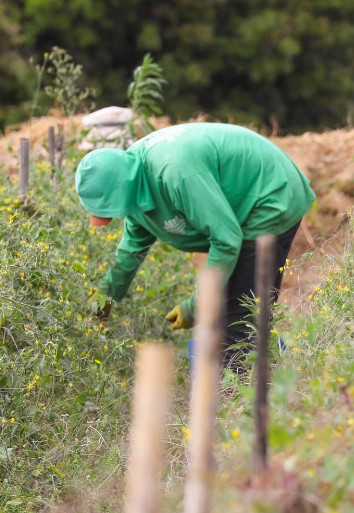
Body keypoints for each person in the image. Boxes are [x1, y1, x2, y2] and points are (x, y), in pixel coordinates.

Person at [76, 123, 315, 360]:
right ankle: (287, 365)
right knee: (240, 311)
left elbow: (226, 240)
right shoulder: (134, 180)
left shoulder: (176, 173)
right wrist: (105, 296)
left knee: (236, 316)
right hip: (241, 209)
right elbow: (132, 249)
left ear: (120, 189)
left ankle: (243, 383)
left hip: (270, 194)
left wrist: (194, 306)